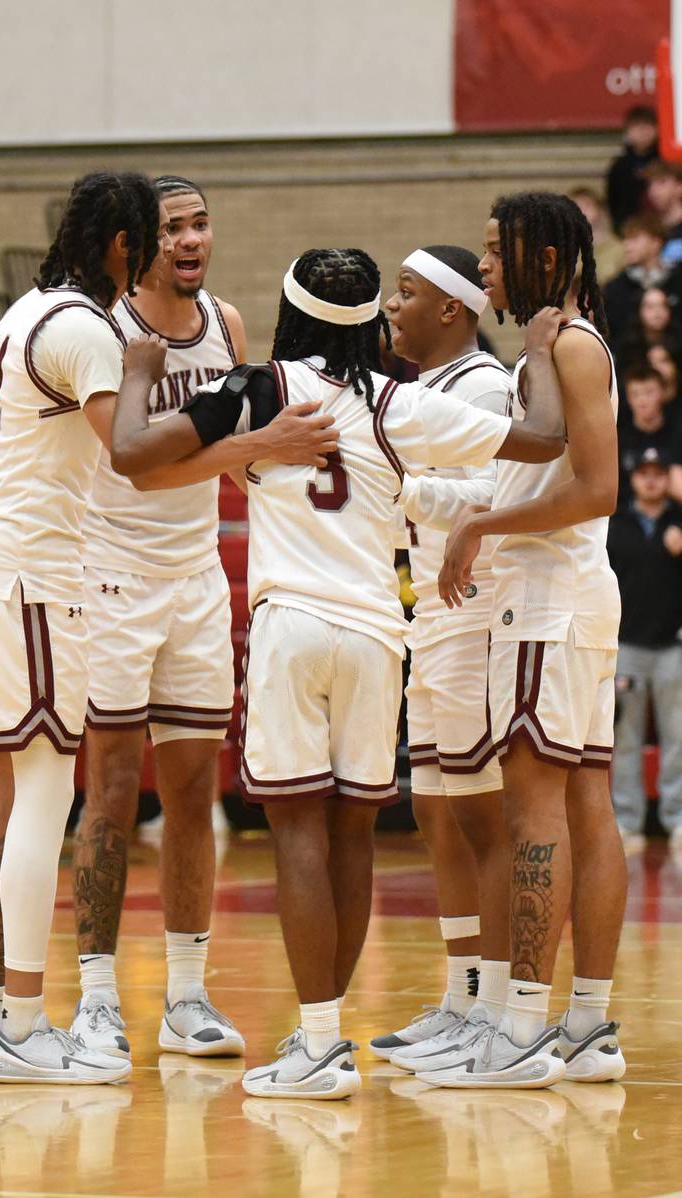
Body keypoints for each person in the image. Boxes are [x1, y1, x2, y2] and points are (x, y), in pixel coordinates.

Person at [108, 246, 569, 1099]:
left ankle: (317, 1045)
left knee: (296, 836)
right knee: (353, 834)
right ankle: (325, 1039)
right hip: (376, 632)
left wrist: (140, 369)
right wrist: (539, 348)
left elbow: (133, 453)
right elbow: (543, 435)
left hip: (293, 629)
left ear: (289, 310)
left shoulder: (259, 388)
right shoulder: (398, 399)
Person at [0, 170, 167, 1084]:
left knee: (21, 796)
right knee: (46, 795)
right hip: (32, 582)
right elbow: (130, 455)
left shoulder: (26, 314)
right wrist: (241, 439)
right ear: (122, 247)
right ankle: (23, 1019)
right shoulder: (90, 329)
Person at [436, 192, 628, 1088]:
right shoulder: (556, 345)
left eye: (495, 252)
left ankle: (520, 1027)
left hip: (551, 596)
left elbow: (597, 489)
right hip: (573, 596)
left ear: (541, 257)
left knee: (536, 814)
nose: (485, 268)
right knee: (590, 810)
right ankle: (587, 1025)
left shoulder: (573, 347)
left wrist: (487, 525)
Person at [71, 174, 248, 1060]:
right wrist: (244, 451)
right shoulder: (109, 331)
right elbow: (139, 465)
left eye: (200, 223)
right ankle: (96, 999)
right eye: (173, 226)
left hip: (195, 575)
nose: (190, 239)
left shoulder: (228, 325)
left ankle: (186, 995)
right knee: (108, 789)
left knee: (190, 791)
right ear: (140, 242)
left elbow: (235, 467)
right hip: (111, 573)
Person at [367, 246, 513, 1071]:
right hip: (429, 614)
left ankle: (495, 1003)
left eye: (409, 292)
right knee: (431, 808)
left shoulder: (487, 389)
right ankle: (461, 996)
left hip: (478, 611)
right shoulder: (423, 391)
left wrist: (405, 494)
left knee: (478, 813)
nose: (394, 305)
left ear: (452, 309)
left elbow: (499, 496)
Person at [607, 449, 682, 851]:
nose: (651, 481)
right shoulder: (614, 525)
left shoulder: (678, 521)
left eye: (658, 474)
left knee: (678, 738)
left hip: (674, 646)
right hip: (626, 645)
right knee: (626, 738)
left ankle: (678, 821)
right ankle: (628, 822)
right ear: (633, 479)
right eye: (644, 474)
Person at [603, 214, 682, 352]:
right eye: (625, 239)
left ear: (656, 243)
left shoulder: (678, 280)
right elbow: (614, 335)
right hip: (632, 364)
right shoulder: (615, 288)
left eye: (634, 239)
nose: (627, 245)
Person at [618, 365, 681, 499]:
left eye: (649, 392)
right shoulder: (617, 435)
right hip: (626, 513)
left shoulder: (677, 429)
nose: (642, 400)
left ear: (663, 393)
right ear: (627, 398)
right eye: (635, 394)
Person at [606, 105, 659, 234]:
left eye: (647, 125)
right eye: (636, 126)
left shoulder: (665, 161)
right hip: (628, 230)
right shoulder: (619, 166)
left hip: (661, 228)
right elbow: (613, 200)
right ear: (627, 131)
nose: (642, 131)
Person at [568, 188, 623, 285]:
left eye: (587, 206)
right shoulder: (565, 249)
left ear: (600, 210)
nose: (581, 211)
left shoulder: (620, 248)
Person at [645, 161, 682, 266]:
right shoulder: (649, 227)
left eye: (661, 182)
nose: (653, 190)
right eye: (650, 184)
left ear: (679, 187)